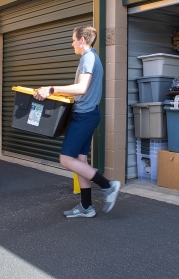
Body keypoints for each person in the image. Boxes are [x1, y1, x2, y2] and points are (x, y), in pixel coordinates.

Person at [34, 25, 120, 218]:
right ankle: (86, 206)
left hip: (85, 116)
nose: (72, 43)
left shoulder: (88, 57)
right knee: (80, 161)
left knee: (66, 159)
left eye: (73, 39)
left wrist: (52, 89)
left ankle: (108, 186)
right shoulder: (90, 58)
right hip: (87, 114)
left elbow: (82, 88)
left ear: (82, 40)